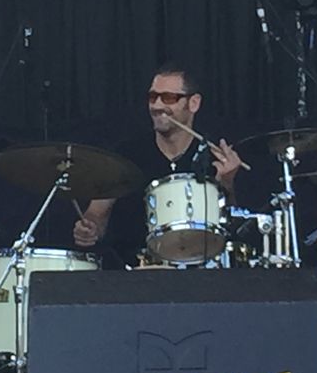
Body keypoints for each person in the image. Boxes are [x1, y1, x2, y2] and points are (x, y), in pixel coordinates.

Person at [72, 63, 249, 265]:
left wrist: (226, 182)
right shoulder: (126, 154)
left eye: (168, 98)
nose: (156, 106)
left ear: (194, 103)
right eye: (152, 97)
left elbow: (233, 228)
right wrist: (90, 228)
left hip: (201, 269)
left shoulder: (213, 157)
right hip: (135, 271)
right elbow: (96, 213)